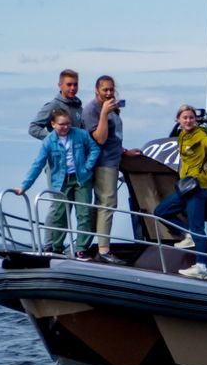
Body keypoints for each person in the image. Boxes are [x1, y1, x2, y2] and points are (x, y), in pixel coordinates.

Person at [14, 108, 100, 257]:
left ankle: (81, 249)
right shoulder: (48, 141)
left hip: (81, 179)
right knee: (60, 215)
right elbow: (38, 164)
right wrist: (24, 186)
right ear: (53, 124)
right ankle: (57, 248)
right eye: (61, 124)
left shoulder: (81, 134)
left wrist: (87, 167)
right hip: (61, 182)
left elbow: (94, 149)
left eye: (68, 123)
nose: (65, 127)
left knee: (84, 214)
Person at [153, 104, 207, 280]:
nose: (188, 121)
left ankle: (201, 266)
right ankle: (187, 233)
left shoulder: (199, 135)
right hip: (186, 187)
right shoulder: (182, 135)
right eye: (185, 118)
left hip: (198, 186)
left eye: (191, 118)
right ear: (178, 120)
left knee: (198, 228)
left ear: (195, 120)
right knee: (160, 212)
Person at [83, 75, 132, 264]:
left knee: (101, 205)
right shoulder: (92, 110)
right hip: (102, 163)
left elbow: (113, 137)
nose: (109, 93)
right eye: (105, 90)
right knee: (107, 203)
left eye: (111, 89)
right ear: (97, 90)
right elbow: (100, 138)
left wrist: (125, 151)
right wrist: (103, 113)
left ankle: (83, 245)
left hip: (114, 159)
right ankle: (104, 249)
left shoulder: (113, 108)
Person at [29, 69, 84, 139]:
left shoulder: (79, 108)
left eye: (75, 85)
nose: (73, 88)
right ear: (60, 85)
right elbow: (33, 128)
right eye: (69, 85)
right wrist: (54, 139)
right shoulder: (53, 106)